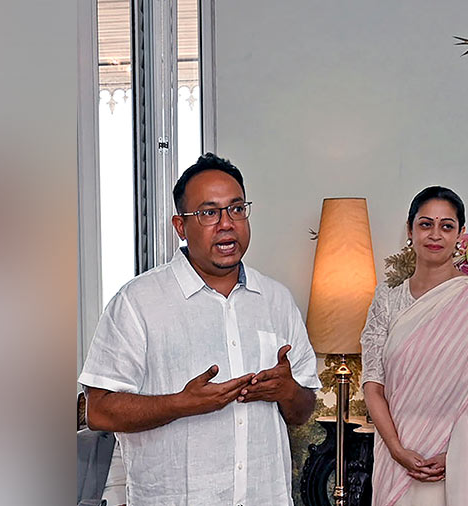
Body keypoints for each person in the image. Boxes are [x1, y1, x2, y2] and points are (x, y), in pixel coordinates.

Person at [79, 153, 321, 505]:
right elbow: (98, 410)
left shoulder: (276, 300)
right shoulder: (138, 302)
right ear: (180, 225)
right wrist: (180, 404)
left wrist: (287, 390)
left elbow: (302, 410)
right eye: (209, 213)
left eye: (237, 209)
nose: (227, 223)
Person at [361, 186, 468, 506]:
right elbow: (373, 384)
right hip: (398, 455)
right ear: (410, 229)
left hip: (462, 459)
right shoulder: (387, 301)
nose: (435, 234)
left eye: (447, 226)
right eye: (426, 224)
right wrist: (397, 450)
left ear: (460, 234)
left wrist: (456, 453)